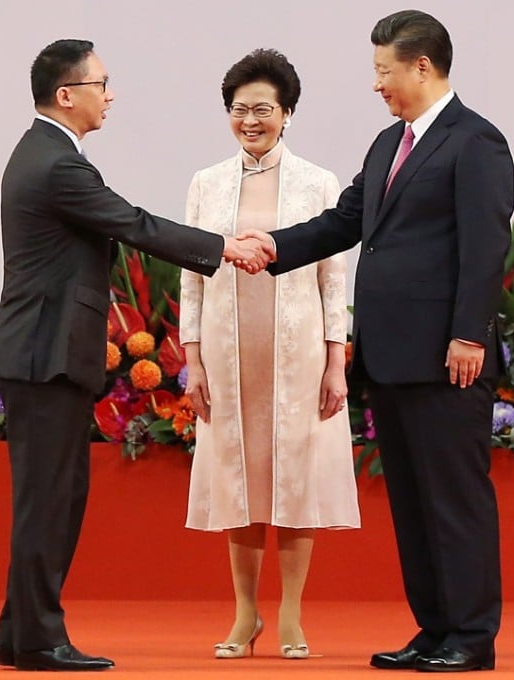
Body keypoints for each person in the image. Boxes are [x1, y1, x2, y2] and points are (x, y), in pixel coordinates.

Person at [240, 10, 514, 673]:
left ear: (422, 66)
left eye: (383, 71)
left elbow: (485, 246)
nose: (377, 85)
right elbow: (346, 221)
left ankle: (471, 637)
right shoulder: (389, 144)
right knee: (416, 506)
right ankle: (434, 629)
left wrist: (467, 334)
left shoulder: (475, 141)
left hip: (448, 358)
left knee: (453, 502)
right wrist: (275, 245)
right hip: (394, 358)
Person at [0, 39, 268, 672]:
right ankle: (36, 638)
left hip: (43, 352)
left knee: (49, 499)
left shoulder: (48, 154)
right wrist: (224, 247)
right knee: (49, 502)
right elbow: (133, 223)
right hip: (44, 352)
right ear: (67, 94)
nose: (110, 96)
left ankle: (21, 632)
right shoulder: (57, 162)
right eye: (102, 84)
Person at [179, 48, 360, 661]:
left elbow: (335, 278)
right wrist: (194, 357)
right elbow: (191, 278)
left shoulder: (318, 182)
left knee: (295, 479)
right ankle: (244, 613)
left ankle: (291, 614)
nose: (249, 120)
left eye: (262, 109)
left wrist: (336, 359)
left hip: (299, 352)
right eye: (238, 109)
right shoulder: (206, 183)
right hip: (231, 355)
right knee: (240, 481)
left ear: (288, 114)